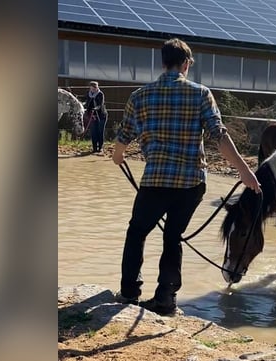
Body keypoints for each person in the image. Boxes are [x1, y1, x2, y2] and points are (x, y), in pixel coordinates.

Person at [112, 38, 261, 316]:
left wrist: (118, 156)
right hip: (191, 184)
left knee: (137, 232)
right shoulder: (201, 93)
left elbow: (122, 138)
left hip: (154, 181)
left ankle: (130, 293)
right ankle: (166, 297)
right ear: (186, 64)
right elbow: (219, 135)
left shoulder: (139, 96)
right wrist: (244, 171)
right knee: (174, 236)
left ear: (163, 62)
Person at [84, 81, 107, 153]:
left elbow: (100, 104)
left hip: (101, 116)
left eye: (94, 88)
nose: (93, 90)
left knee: (100, 131)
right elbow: (87, 103)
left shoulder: (100, 94)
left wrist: (95, 108)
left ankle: (100, 147)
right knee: (93, 132)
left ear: (97, 88)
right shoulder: (88, 94)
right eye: (91, 88)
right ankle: (94, 148)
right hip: (92, 116)